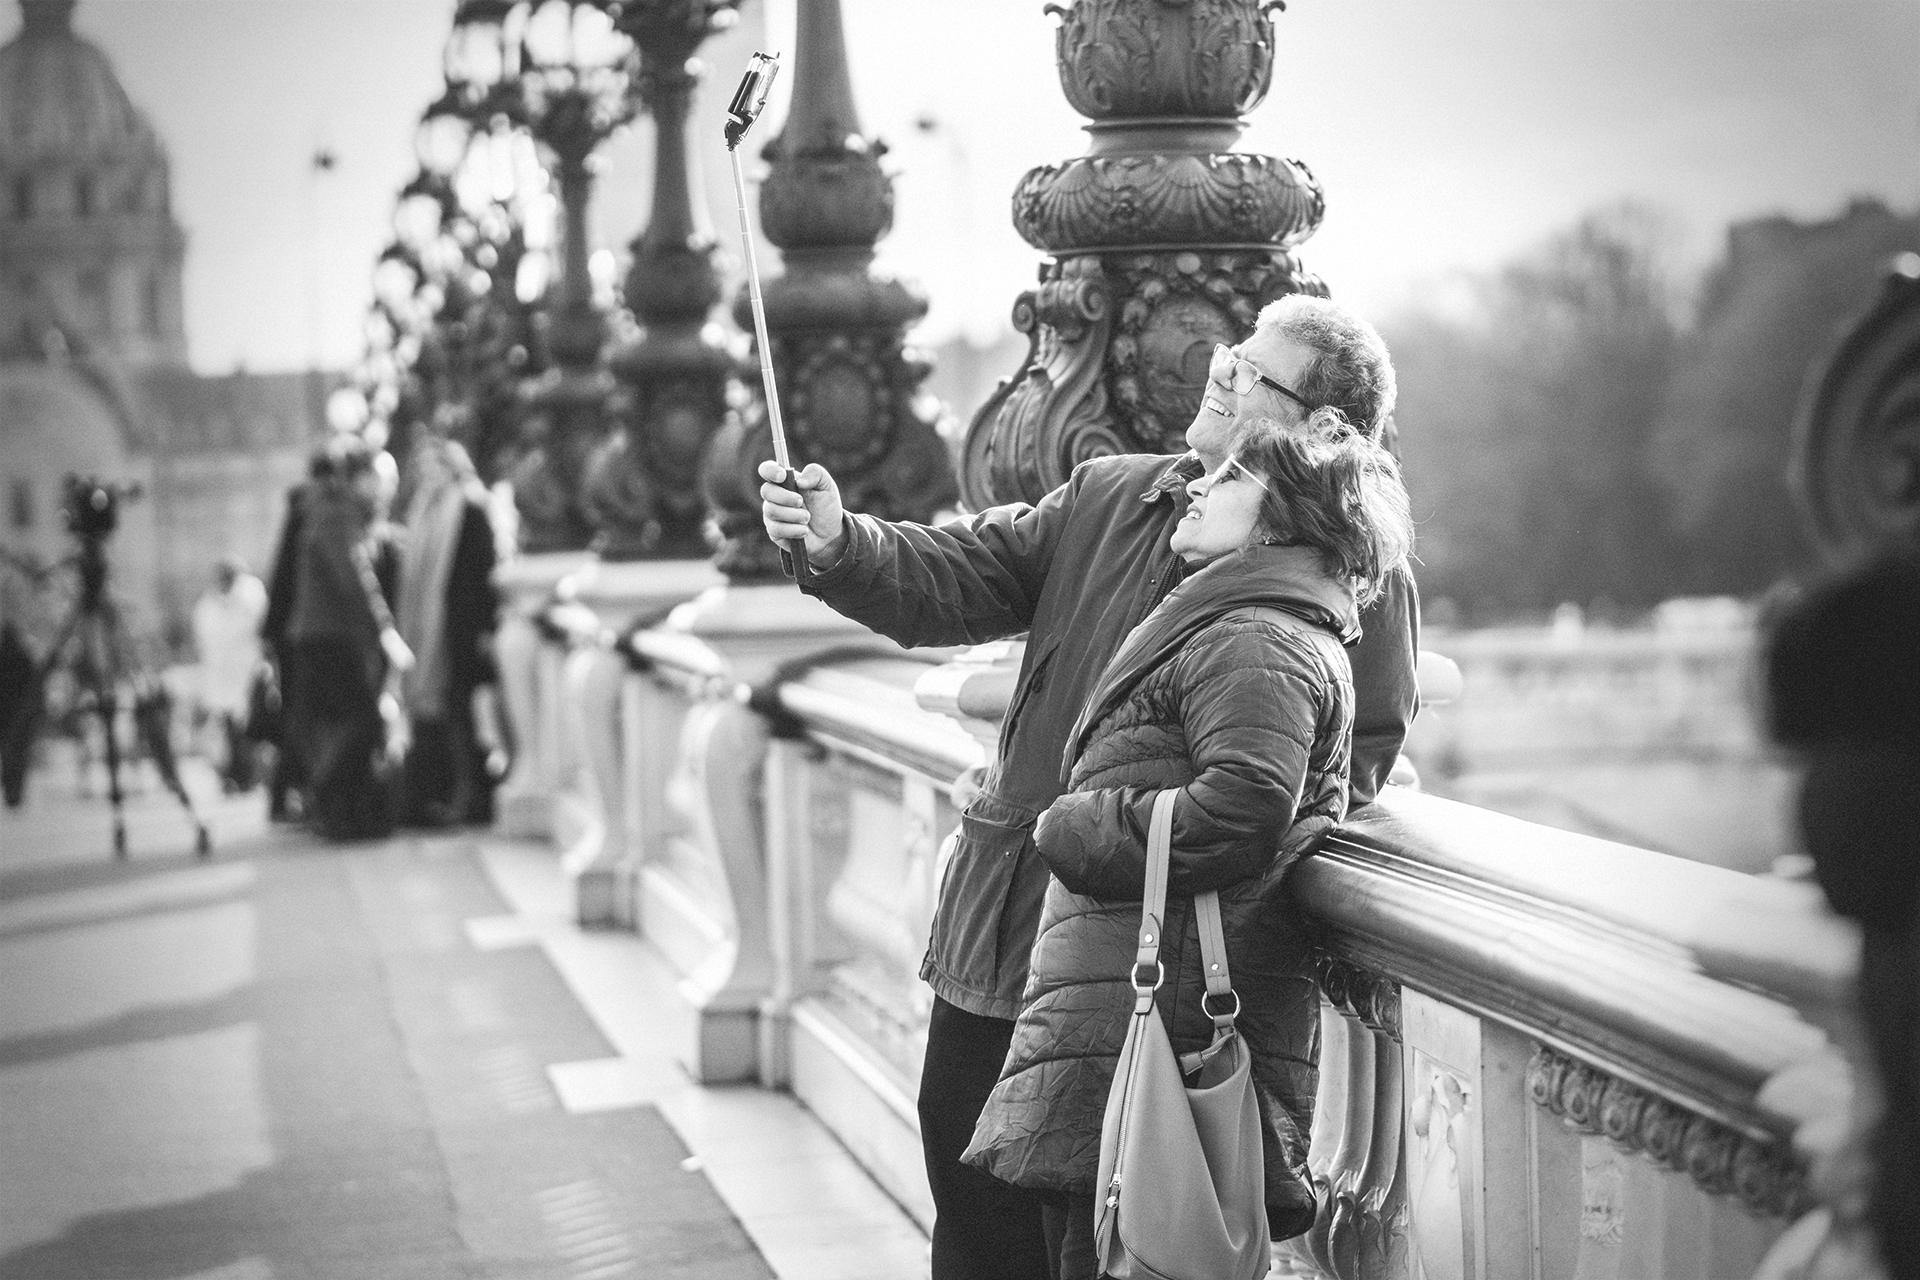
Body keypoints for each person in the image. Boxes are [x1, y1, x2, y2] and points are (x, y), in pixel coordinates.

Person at [758, 293, 1421, 1278]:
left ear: (1321, 427)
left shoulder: (1355, 577)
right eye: (1228, 351)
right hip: (1007, 935)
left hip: (1151, 978)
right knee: (977, 1228)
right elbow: (958, 572)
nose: (1216, 372)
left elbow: (1333, 779)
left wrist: (1111, 833)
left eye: (1249, 371)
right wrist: (836, 541)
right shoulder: (1112, 493)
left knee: (1114, 1241)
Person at [962, 411, 1413, 1274]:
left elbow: (1242, 807)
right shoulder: (1242, 622)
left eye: (1233, 476)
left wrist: (1075, 824)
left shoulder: (1256, 636)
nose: (1199, 485)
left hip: (1157, 1018)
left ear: (1287, 517)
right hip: (1135, 1009)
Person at [282, 435, 412, 841]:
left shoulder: (332, 510)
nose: (385, 489)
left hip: (322, 635)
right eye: (379, 479)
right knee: (362, 721)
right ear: (360, 479)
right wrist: (385, 629)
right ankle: (332, 802)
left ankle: (341, 811)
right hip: (329, 636)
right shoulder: (338, 515)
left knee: (344, 724)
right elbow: (354, 578)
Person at [394, 437, 502, 827]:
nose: (428, 473)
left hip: (461, 632)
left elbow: (485, 572)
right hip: (428, 634)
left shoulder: (470, 507)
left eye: (435, 465)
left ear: (452, 467)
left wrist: (485, 627)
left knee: (465, 716)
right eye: (422, 466)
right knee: (436, 714)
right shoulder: (421, 510)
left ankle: (472, 799)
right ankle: (437, 798)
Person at [190, 555, 268, 792]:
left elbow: (255, 627)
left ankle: (247, 775)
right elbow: (204, 635)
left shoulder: (250, 594)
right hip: (222, 673)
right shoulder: (210, 602)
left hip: (245, 670)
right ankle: (232, 775)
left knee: (248, 725)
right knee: (228, 726)